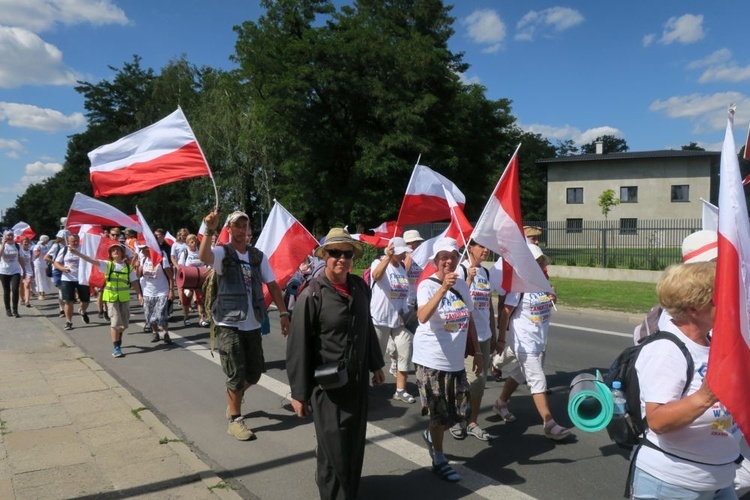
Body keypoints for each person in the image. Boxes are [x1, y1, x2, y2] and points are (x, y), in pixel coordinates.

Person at [287, 227, 385, 499]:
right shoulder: (312, 294)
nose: (341, 258)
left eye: (347, 253)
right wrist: (299, 393)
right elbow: (298, 346)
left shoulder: (359, 287)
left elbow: (367, 326)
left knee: (353, 441)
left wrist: (376, 364)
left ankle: (349, 491)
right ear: (324, 256)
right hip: (327, 387)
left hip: (356, 382)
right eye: (334, 253)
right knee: (334, 448)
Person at [631, 262, 742, 499]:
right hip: (674, 484)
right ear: (694, 308)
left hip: (720, 478)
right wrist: (704, 397)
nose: (728, 303)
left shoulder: (713, 341)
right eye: (718, 298)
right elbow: (657, 420)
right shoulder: (666, 350)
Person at [198, 209, 290, 441]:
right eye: (237, 226)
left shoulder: (257, 256)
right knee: (236, 373)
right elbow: (204, 257)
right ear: (229, 229)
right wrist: (209, 230)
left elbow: (274, 285)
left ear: (249, 230)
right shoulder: (222, 253)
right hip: (229, 322)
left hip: (252, 322)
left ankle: (233, 394)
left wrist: (283, 312)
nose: (241, 230)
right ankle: (235, 419)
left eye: (244, 226)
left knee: (255, 372)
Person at [412, 237, 481, 483]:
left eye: (452, 256)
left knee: (458, 411)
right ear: (435, 261)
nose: (448, 261)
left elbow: (469, 317)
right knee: (439, 414)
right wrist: (442, 288)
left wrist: (479, 352)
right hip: (431, 359)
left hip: (455, 361)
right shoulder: (427, 286)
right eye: (443, 257)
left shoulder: (462, 285)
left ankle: (432, 436)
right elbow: (421, 316)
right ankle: (439, 459)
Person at [493, 244, 572, 440]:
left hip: (539, 340)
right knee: (538, 381)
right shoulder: (519, 287)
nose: (538, 265)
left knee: (519, 374)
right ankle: (549, 423)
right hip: (524, 340)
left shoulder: (543, 283)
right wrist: (502, 338)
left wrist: (554, 296)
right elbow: (505, 314)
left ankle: (500, 403)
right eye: (533, 262)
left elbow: (547, 305)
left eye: (540, 262)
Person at [449, 239, 497, 441]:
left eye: (487, 246)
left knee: (480, 382)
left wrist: (493, 332)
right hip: (466, 336)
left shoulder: (485, 272)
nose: (486, 250)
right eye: (481, 246)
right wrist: (467, 280)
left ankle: (472, 422)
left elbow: (488, 304)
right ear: (470, 248)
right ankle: (456, 419)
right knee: (471, 380)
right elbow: (454, 302)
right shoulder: (460, 270)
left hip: (484, 335)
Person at [70, 243, 143, 358]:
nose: (116, 251)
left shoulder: (128, 267)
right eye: (113, 250)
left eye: (118, 250)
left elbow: (134, 282)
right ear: (110, 254)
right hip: (111, 298)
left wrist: (139, 294)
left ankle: (118, 335)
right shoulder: (107, 265)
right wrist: (77, 253)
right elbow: (91, 260)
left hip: (124, 298)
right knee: (115, 323)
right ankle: (116, 348)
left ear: (122, 253)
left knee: (124, 325)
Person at [370, 236, 415, 403]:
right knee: (376, 357)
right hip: (380, 318)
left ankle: (401, 390)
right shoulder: (379, 262)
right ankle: (371, 384)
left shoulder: (402, 268)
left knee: (405, 349)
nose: (405, 255)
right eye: (402, 252)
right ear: (393, 251)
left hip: (399, 320)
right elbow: (376, 275)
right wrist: (387, 258)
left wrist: (407, 310)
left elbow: (405, 291)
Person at [136, 244, 173, 344]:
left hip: (161, 290)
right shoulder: (144, 260)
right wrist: (137, 265)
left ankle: (165, 333)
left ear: (150, 249)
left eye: (144, 249)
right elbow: (137, 276)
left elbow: (170, 276)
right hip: (147, 292)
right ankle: (155, 332)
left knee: (161, 314)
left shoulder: (161, 259)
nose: (142, 251)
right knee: (149, 315)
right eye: (141, 249)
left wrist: (171, 290)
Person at [53, 233, 91, 330]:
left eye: (76, 240)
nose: (75, 242)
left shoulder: (83, 249)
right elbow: (56, 262)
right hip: (67, 278)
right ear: (68, 241)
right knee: (68, 301)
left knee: (85, 301)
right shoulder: (64, 250)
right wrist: (62, 268)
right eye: (73, 241)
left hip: (82, 278)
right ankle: (69, 322)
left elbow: (91, 260)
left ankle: (82, 310)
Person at [180, 234, 209, 327]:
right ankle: (186, 317)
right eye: (191, 241)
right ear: (187, 243)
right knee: (187, 298)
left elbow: (205, 263)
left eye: (195, 241)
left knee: (201, 298)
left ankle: (202, 318)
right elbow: (181, 266)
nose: (194, 242)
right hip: (189, 278)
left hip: (200, 278)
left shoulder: (200, 252)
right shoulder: (185, 253)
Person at [0, 230, 25, 317]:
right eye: (8, 235)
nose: (10, 237)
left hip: (15, 271)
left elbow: (20, 258)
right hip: (4, 271)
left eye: (11, 235)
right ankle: (8, 309)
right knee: (6, 291)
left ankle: (15, 310)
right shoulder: (2, 245)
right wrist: (3, 243)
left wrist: (24, 270)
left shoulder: (17, 246)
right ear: (5, 236)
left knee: (15, 290)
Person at [45, 230, 68, 318]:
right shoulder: (56, 246)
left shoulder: (70, 246)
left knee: (64, 291)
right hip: (57, 271)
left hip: (67, 270)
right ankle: (62, 309)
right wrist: (55, 263)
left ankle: (64, 308)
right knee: (62, 291)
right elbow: (46, 257)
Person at [33, 235, 51, 300]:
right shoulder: (37, 246)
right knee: (39, 279)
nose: (48, 241)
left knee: (44, 279)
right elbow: (35, 255)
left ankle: (43, 292)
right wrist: (39, 253)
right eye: (47, 240)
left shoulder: (46, 246)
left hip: (44, 265)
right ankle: (40, 293)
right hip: (38, 265)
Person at [18, 237, 34, 308]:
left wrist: (33, 272)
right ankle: (22, 298)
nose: (26, 243)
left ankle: (27, 301)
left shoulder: (30, 251)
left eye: (27, 242)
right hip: (19, 270)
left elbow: (31, 262)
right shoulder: (19, 250)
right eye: (25, 241)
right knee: (21, 286)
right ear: (21, 242)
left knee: (27, 285)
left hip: (28, 270)